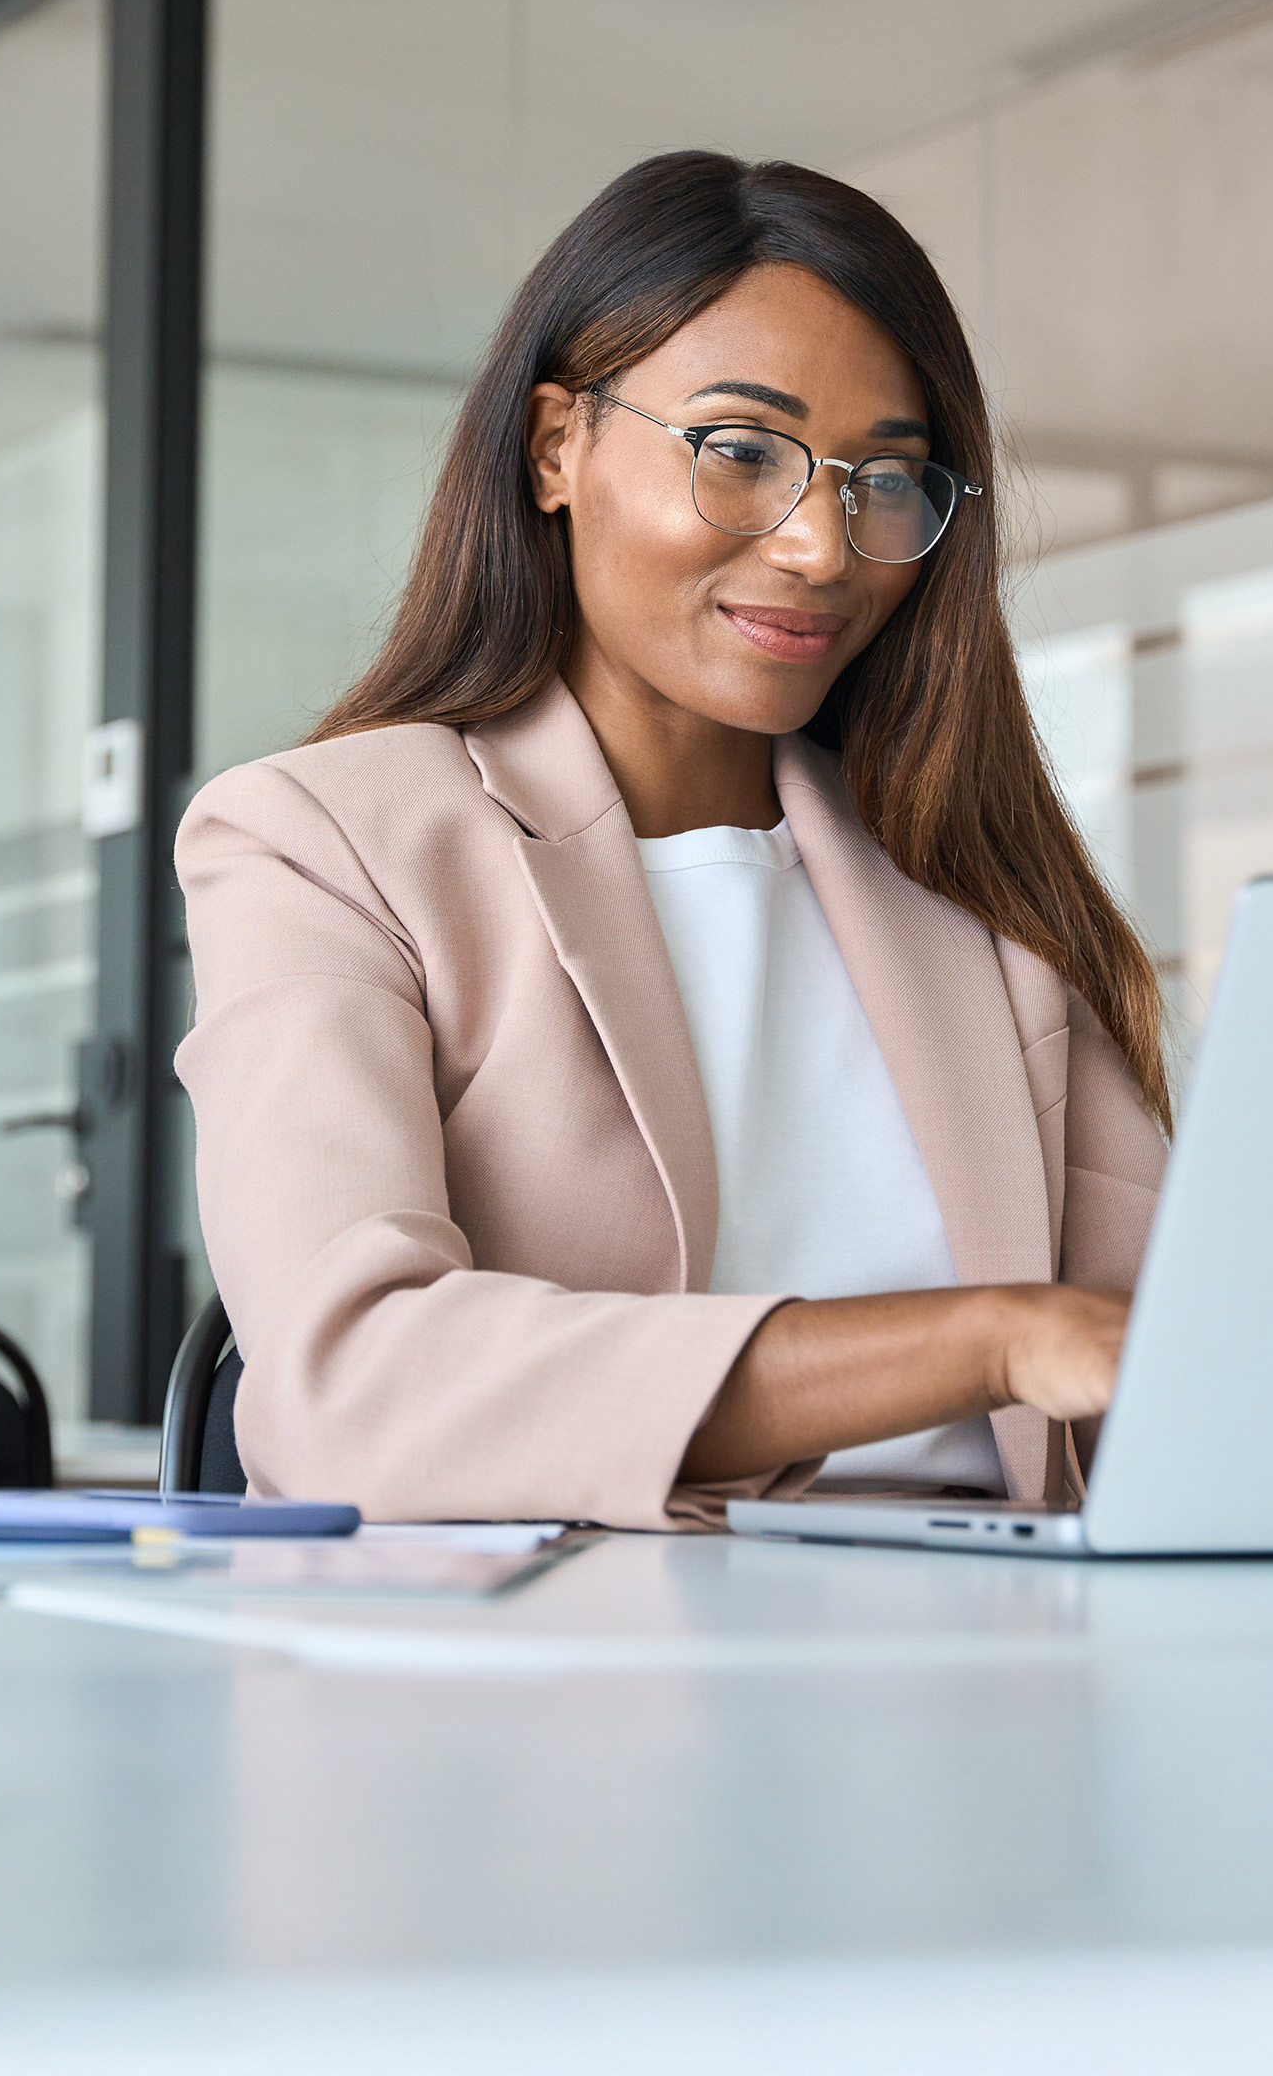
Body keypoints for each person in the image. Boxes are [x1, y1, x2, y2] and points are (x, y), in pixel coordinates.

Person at [174, 150, 1169, 1529]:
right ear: (554, 449)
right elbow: (353, 1392)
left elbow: (1169, 1354)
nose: (825, 545)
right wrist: (986, 1339)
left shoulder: (978, 905)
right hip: (555, 1684)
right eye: (741, 452)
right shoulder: (332, 842)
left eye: (886, 479)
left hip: (1013, 1670)